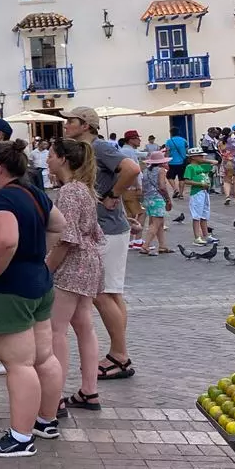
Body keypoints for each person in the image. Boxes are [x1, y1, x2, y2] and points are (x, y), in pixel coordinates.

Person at [0, 140, 66, 457]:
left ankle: (20, 438)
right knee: (44, 357)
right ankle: (45, 421)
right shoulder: (33, 193)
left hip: (9, 290)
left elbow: (6, 240)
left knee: (19, 364)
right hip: (38, 282)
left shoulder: (2, 200)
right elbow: (59, 224)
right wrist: (38, 253)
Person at [61, 106, 140, 381]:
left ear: (85, 125)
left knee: (102, 293)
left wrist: (113, 195)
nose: (66, 125)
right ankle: (118, 352)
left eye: (70, 121)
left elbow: (131, 168)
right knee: (111, 294)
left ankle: (120, 355)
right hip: (109, 228)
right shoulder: (87, 149)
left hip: (108, 228)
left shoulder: (99, 147)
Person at [45, 138, 105, 417]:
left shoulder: (69, 191)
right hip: (90, 261)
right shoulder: (85, 189)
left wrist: (47, 267)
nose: (47, 160)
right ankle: (89, 390)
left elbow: (67, 238)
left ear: (63, 160)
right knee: (84, 326)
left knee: (56, 329)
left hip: (73, 264)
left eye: (51, 155)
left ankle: (55, 396)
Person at [138, 149, 172, 255]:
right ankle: (145, 246)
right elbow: (162, 186)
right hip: (157, 198)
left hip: (148, 199)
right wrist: (168, 199)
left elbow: (143, 187)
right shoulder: (161, 171)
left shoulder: (145, 171)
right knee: (156, 223)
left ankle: (162, 246)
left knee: (160, 223)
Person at [119, 131, 145, 250]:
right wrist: (138, 187)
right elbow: (134, 170)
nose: (139, 141)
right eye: (137, 138)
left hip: (124, 187)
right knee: (141, 212)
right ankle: (137, 239)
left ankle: (129, 240)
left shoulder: (123, 150)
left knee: (130, 214)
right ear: (131, 140)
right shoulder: (129, 152)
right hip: (131, 187)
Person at [184, 147, 215, 246]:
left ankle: (206, 235)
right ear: (193, 157)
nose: (202, 157)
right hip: (197, 192)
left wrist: (204, 160)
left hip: (205, 192)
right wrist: (200, 184)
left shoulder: (201, 166)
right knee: (196, 215)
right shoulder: (190, 167)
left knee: (204, 214)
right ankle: (197, 237)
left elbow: (215, 162)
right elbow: (187, 180)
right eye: (200, 156)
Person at [164, 127, 189, 198]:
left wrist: (165, 159)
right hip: (182, 162)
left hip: (172, 162)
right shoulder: (184, 140)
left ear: (171, 133)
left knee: (169, 176)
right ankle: (181, 194)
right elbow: (187, 151)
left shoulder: (169, 141)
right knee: (182, 178)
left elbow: (167, 152)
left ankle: (175, 189)